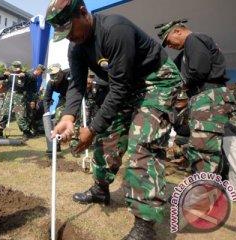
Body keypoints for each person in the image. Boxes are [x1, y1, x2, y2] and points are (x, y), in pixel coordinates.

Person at [45, 0, 182, 239]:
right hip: (126, 86)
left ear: (83, 12)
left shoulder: (115, 30)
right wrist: (68, 117)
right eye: (63, 34)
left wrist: (93, 127)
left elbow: (118, 88)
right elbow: (77, 85)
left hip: (157, 81)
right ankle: (100, 189)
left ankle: (144, 224)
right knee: (108, 139)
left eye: (70, 30)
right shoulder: (75, 47)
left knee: (143, 145)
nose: (69, 38)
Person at [158, 20, 236, 173]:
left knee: (204, 149)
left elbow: (198, 71)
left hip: (208, 96)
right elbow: (171, 72)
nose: (169, 46)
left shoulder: (194, 39)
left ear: (178, 31)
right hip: (205, 98)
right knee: (214, 145)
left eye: (168, 41)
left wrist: (181, 86)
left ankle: (205, 191)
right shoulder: (184, 53)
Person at [0, 61, 36, 140]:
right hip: (9, 95)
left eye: (17, 67)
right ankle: (0, 130)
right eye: (14, 67)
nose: (16, 69)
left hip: (19, 96)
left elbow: (33, 77)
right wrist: (4, 74)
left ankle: (25, 132)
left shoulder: (24, 74)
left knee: (20, 114)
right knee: (5, 112)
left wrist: (25, 75)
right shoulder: (10, 74)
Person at [167, 91, 190, 171]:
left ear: (187, 100)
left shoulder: (192, 110)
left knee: (187, 147)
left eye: (181, 100)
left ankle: (186, 161)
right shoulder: (173, 110)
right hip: (181, 135)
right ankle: (180, 160)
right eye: (177, 100)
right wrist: (174, 140)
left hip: (193, 137)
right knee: (175, 144)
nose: (178, 101)